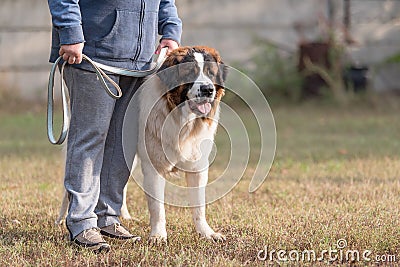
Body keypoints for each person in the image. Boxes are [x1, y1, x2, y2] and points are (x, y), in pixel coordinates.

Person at [47, 0, 182, 252]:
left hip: (140, 61)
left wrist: (170, 29)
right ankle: (81, 222)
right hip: (92, 54)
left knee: (123, 138)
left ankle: (107, 215)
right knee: (91, 137)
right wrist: (70, 32)